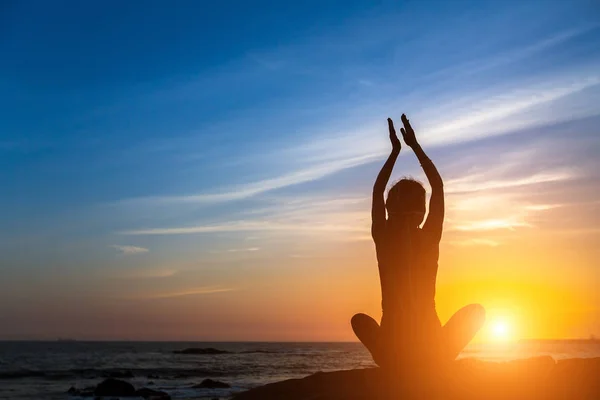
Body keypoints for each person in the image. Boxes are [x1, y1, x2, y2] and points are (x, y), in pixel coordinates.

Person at [351, 114, 485, 371]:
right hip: (428, 344)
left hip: (401, 344)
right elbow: (438, 186)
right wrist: (413, 147)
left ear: (390, 209)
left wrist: (396, 152)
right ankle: (433, 358)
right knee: (476, 312)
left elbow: (378, 191)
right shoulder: (424, 236)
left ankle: (395, 358)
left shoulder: (386, 236)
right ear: (421, 211)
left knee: (359, 320)